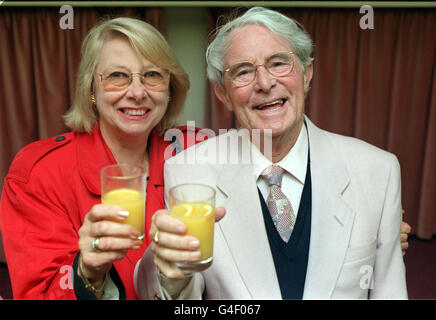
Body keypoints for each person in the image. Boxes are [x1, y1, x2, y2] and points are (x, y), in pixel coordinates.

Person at [134, 7, 409, 299]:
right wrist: (169, 269)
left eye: (279, 63)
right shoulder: (188, 170)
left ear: (306, 74)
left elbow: (390, 291)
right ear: (223, 94)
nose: (264, 83)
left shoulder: (378, 171)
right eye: (243, 72)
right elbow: (185, 299)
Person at [0, 17, 205, 299]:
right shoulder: (38, 172)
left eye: (153, 75)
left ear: (170, 89)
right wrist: (87, 273)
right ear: (91, 90)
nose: (137, 92)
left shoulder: (197, 151)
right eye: (117, 76)